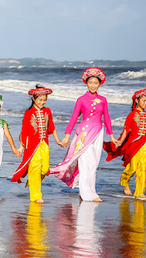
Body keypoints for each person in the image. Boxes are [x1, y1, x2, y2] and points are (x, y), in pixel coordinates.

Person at [49, 68, 120, 202]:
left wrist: (111, 136)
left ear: (99, 84)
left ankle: (85, 192)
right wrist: (67, 136)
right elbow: (73, 118)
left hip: (98, 133)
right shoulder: (81, 100)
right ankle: (89, 194)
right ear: (86, 83)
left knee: (94, 164)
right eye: (90, 82)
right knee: (89, 162)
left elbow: (107, 118)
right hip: (84, 134)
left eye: (95, 83)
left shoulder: (103, 100)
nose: (93, 85)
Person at [11, 85, 65, 204]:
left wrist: (58, 141)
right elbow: (24, 132)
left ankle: (32, 180)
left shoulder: (47, 111)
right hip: (31, 146)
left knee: (44, 170)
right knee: (35, 169)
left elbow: (52, 128)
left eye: (44, 100)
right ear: (34, 98)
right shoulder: (28, 113)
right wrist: (20, 148)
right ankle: (36, 195)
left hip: (44, 145)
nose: (42, 102)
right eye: (40, 100)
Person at [103, 88, 146, 199]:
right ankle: (125, 181)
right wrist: (121, 141)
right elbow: (126, 130)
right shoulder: (131, 115)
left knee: (143, 168)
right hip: (134, 144)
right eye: (143, 100)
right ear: (137, 101)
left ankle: (140, 192)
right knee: (133, 168)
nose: (145, 103)